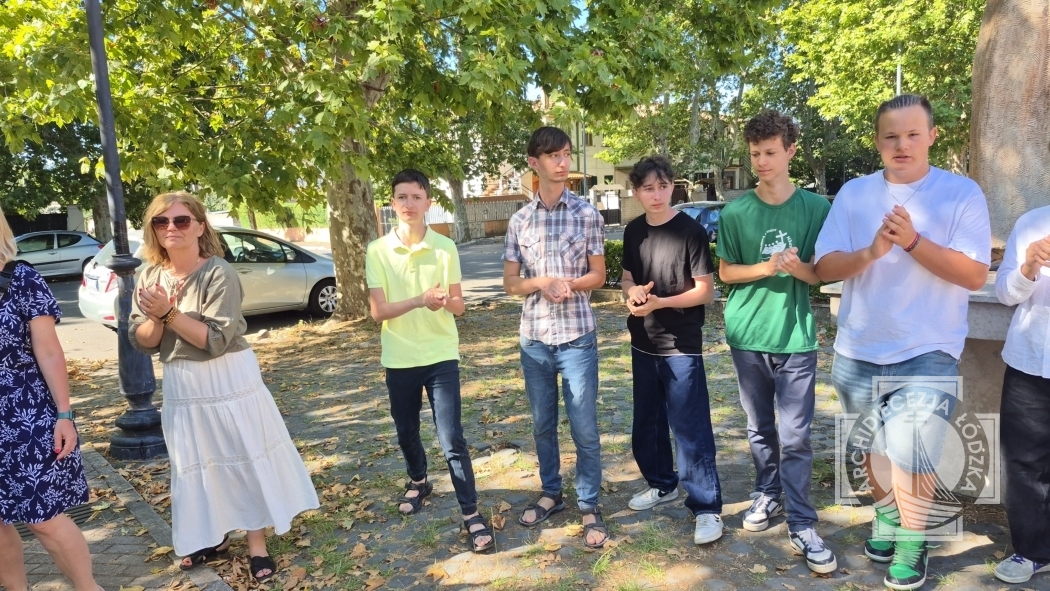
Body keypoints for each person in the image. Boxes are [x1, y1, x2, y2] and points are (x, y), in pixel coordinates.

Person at [814, 94, 990, 591]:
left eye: (913, 134)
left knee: (914, 453)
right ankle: (889, 516)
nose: (902, 144)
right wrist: (872, 251)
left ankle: (913, 540)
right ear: (877, 141)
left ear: (932, 136)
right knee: (871, 449)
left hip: (927, 347)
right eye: (891, 136)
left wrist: (912, 242)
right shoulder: (854, 194)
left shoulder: (960, 193)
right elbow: (824, 266)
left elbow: (974, 274)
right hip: (858, 346)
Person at [129, 192, 319, 583]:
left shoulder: (219, 273)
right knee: (196, 460)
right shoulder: (148, 276)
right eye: (161, 222)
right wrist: (158, 319)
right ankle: (212, 536)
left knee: (242, 455)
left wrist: (168, 312)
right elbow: (143, 340)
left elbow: (213, 340)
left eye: (181, 220)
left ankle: (257, 544)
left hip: (227, 377)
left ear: (200, 226)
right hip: (182, 381)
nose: (171, 228)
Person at [718, 110, 836, 572]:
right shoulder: (735, 212)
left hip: (796, 336)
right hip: (747, 334)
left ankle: (803, 522)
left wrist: (796, 268)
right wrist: (767, 267)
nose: (762, 162)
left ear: (790, 151)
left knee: (797, 435)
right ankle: (767, 493)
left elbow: (822, 273)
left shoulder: (817, 209)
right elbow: (726, 272)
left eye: (770, 152)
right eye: (755, 154)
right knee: (759, 428)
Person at [365, 169, 493, 553]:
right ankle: (419, 480)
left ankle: (471, 511)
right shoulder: (377, 250)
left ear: (428, 202)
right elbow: (378, 311)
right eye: (402, 197)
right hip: (399, 356)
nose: (409, 203)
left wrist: (443, 301)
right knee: (406, 431)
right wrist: (420, 299)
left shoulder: (445, 247)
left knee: (452, 437)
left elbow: (460, 306)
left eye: (416, 196)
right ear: (392, 203)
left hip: (441, 355)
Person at [503, 126, 609, 549]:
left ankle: (589, 503)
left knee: (584, 425)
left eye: (566, 154)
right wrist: (541, 282)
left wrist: (569, 284)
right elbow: (511, 283)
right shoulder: (519, 220)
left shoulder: (587, 214)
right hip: (534, 339)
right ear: (534, 163)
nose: (563, 163)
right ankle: (551, 492)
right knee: (543, 424)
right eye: (553, 156)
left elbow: (598, 275)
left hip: (577, 337)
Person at [620, 155, 724, 545]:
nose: (657, 194)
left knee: (690, 427)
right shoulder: (633, 231)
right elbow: (627, 279)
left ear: (672, 188)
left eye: (663, 186)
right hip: (642, 341)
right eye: (648, 188)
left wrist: (660, 303)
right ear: (636, 192)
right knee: (647, 422)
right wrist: (633, 292)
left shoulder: (689, 231)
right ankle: (662, 483)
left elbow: (705, 291)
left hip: (681, 345)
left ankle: (707, 507)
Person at [0, 206, 102, 591]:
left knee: (43, 517)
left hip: (24, 416)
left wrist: (64, 415)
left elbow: (49, 352)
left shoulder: (21, 279)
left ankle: (88, 587)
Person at [992, 207, 1050, 584]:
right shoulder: (1033, 222)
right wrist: (1029, 266)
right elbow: (1005, 294)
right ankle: (1032, 551)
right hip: (1030, 360)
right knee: (1024, 463)